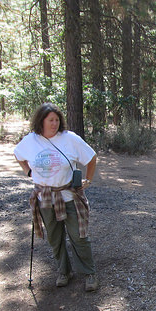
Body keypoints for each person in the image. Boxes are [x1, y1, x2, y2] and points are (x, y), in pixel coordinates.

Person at [14, 102, 98, 291]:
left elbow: (91, 158)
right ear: (40, 121)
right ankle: (64, 271)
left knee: (79, 236)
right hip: (45, 198)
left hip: (69, 196)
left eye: (57, 120)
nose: (55, 123)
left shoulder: (70, 139)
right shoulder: (30, 141)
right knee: (54, 237)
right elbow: (18, 155)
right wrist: (28, 172)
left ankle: (89, 273)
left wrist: (89, 180)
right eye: (50, 120)